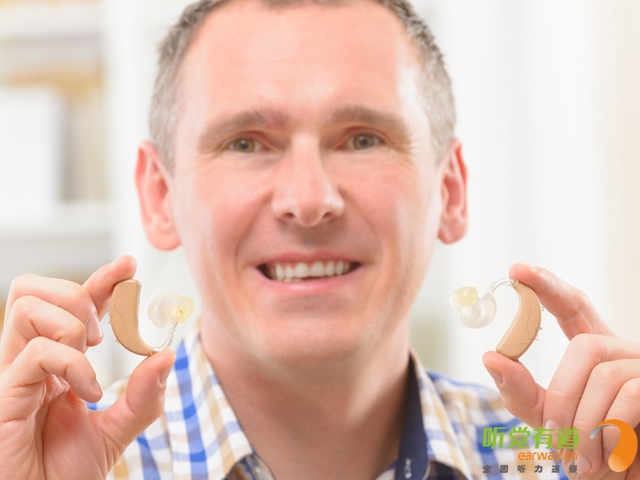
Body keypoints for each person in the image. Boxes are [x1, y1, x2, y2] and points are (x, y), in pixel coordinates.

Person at [1, 0, 638, 478]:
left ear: (451, 191)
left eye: (362, 139)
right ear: (158, 196)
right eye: (245, 143)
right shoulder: (60, 464)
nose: (309, 201)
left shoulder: (554, 455)